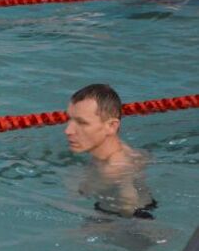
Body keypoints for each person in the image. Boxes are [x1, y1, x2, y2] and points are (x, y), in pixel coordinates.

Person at [64, 84, 156, 219]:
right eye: (69, 119)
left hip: (129, 220)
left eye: (82, 123)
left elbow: (128, 204)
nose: (68, 130)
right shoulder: (118, 150)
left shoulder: (113, 168)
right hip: (116, 210)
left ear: (111, 126)